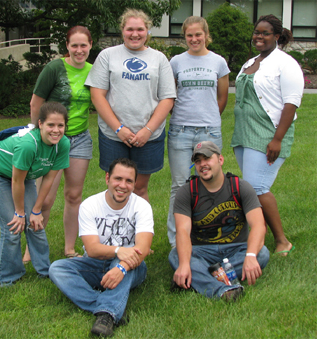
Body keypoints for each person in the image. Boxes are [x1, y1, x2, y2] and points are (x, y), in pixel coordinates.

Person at [49, 158, 154, 337]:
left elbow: (142, 249)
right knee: (57, 268)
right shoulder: (90, 205)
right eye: (117, 179)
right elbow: (92, 249)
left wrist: (121, 266)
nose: (122, 185)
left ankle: (106, 315)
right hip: (95, 264)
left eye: (129, 181)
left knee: (123, 261)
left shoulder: (142, 206)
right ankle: (107, 306)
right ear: (107, 178)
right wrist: (118, 250)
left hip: (131, 267)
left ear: (135, 183)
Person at [230, 15, 304, 255]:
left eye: (264, 33)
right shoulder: (250, 62)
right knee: (250, 190)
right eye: (256, 32)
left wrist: (278, 139)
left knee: (257, 188)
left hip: (268, 133)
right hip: (244, 134)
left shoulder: (286, 63)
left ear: (277, 37)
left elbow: (291, 103)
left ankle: (282, 241)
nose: (258, 37)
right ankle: (256, 237)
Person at [85, 8, 176, 202]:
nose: (135, 34)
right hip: (113, 135)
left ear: (147, 31)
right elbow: (97, 95)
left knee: (140, 188)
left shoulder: (159, 59)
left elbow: (167, 98)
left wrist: (148, 130)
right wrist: (118, 128)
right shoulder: (107, 55)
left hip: (149, 136)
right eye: (130, 29)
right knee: (116, 187)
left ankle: (139, 231)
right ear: (122, 30)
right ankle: (113, 230)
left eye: (140, 29)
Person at [0, 102, 70, 286]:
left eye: (60, 125)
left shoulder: (63, 144)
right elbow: (16, 181)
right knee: (13, 226)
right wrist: (20, 213)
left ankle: (45, 271)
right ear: (40, 124)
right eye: (51, 125)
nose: (56, 130)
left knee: (35, 224)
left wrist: (36, 211)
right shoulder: (29, 144)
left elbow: (49, 180)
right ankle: (9, 277)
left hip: (25, 175)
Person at [169, 141, 269, 301]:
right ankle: (223, 291)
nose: (202, 164)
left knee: (261, 253)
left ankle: (198, 277)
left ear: (220, 160)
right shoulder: (187, 191)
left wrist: (250, 255)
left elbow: (258, 225)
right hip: (201, 250)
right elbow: (182, 231)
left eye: (207, 158)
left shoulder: (240, 187)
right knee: (176, 256)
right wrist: (184, 264)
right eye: (198, 161)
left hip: (236, 248)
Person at [28, 25, 93, 260]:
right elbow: (36, 103)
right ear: (67, 46)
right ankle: (31, 250)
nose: (78, 50)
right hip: (52, 140)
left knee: (74, 196)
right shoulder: (54, 68)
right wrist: (37, 134)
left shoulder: (94, 71)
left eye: (83, 45)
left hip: (80, 140)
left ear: (90, 46)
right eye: (74, 45)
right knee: (44, 199)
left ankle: (69, 248)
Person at [167, 16, 230, 248]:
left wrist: (209, 117)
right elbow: (169, 94)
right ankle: (176, 242)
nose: (194, 39)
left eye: (198, 34)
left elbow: (222, 98)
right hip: (180, 131)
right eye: (189, 35)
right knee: (180, 186)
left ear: (206, 35)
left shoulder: (219, 62)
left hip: (209, 132)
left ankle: (205, 235)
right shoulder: (176, 62)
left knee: (209, 182)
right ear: (185, 37)